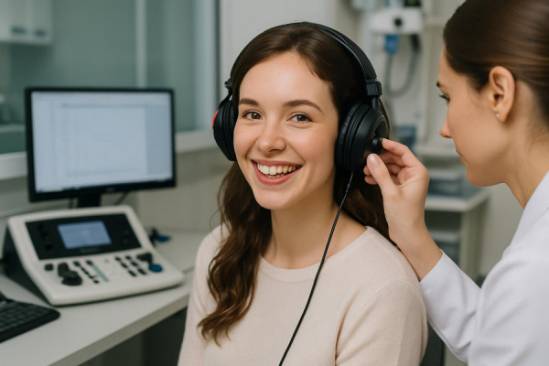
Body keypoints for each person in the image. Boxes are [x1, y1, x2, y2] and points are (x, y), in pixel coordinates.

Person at [179, 22, 427, 365]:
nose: (267, 142)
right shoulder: (219, 251)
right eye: (252, 113)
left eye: (299, 117)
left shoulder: (383, 288)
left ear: (350, 137)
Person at [363, 0, 549, 365]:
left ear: (499, 92)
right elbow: (502, 334)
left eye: (448, 96)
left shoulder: (534, 270)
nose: (445, 129)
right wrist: (411, 234)